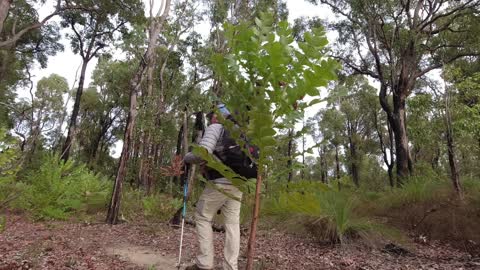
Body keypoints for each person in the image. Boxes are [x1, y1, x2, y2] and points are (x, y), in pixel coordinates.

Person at [184, 105, 246, 270]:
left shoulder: (216, 127)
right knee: (232, 224)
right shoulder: (239, 133)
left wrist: (187, 157)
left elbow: (203, 153)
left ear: (218, 116)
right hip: (238, 183)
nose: (210, 118)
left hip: (220, 182)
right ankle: (230, 267)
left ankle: (204, 264)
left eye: (211, 115)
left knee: (203, 217)